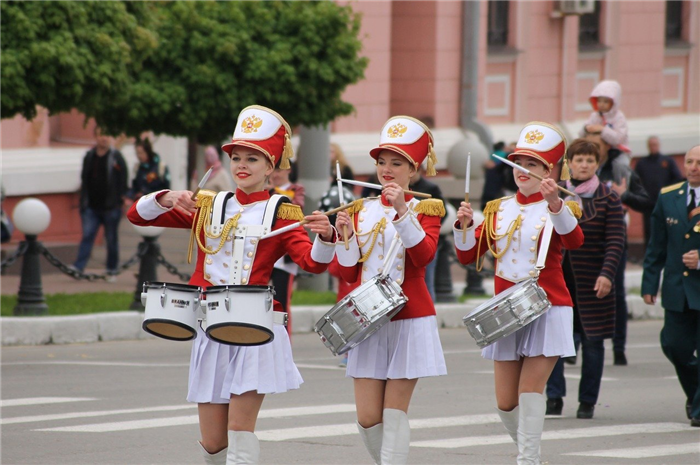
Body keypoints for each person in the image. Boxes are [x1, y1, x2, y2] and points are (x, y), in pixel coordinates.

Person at [128, 105, 337, 464]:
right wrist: (166, 197)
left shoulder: (282, 211)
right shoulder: (210, 204)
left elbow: (312, 263)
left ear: (271, 166)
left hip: (254, 330)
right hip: (211, 328)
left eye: (252, 159)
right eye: (236, 157)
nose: (241, 165)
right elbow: (137, 215)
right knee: (212, 443)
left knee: (240, 432)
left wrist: (328, 237)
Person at [453, 122, 584, 464]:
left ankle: (528, 459)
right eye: (518, 163)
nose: (522, 171)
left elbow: (574, 242)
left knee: (529, 392)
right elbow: (468, 255)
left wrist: (555, 203)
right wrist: (465, 227)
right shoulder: (498, 209)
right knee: (505, 402)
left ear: (549, 171)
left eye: (532, 165)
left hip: (548, 306)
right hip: (505, 312)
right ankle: (530, 449)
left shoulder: (562, 207)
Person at [334, 116, 447, 464]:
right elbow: (345, 270)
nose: (386, 169)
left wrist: (401, 210)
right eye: (382, 162)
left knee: (394, 413)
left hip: (409, 317)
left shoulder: (426, 208)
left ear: (413, 169)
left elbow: (424, 256)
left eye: (396, 163)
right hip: (367, 320)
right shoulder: (359, 209)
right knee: (368, 419)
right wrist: (342, 237)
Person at [545, 139, 625, 419]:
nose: (583, 165)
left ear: (596, 165)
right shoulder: (556, 195)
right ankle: (553, 397)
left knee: (593, 342)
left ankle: (587, 401)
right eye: (578, 160)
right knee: (554, 341)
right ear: (569, 163)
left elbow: (616, 240)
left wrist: (607, 274)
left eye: (589, 160)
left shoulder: (608, 197)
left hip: (594, 282)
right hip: (559, 281)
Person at [641, 145, 700, 428]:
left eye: (699, 162)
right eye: (689, 161)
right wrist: (649, 283)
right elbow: (656, 246)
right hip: (677, 289)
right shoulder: (668, 198)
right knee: (674, 346)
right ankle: (695, 393)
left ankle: (699, 408)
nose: (693, 167)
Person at [594, 138, 652, 367]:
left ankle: (619, 348)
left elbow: (646, 202)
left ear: (608, 146)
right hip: (582, 244)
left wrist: (624, 194)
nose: (591, 149)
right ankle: (574, 346)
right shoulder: (574, 168)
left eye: (597, 144)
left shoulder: (621, 170)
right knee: (577, 295)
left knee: (616, 295)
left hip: (613, 240)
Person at [72, 127, 128, 280]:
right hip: (91, 206)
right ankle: (78, 267)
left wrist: (120, 199)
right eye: (101, 135)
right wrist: (84, 201)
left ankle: (111, 270)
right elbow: (85, 179)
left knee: (111, 239)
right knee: (87, 235)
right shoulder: (90, 156)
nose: (104, 138)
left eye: (107, 135)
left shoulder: (116, 157)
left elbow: (123, 179)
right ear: (95, 137)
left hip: (111, 207)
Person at [268, 160, 306, 335]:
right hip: (265, 251)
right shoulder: (264, 189)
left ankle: (284, 345)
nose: (276, 174)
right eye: (273, 169)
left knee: (282, 303)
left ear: (289, 169)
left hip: (285, 257)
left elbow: (296, 209)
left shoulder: (296, 190)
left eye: (280, 169)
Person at [634, 136, 683, 247]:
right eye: (651, 145)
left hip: (665, 203)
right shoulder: (642, 163)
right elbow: (635, 182)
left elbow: (677, 179)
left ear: (659, 145)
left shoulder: (668, 161)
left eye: (655, 144)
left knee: (667, 227)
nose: (653, 147)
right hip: (648, 204)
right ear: (648, 146)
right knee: (650, 230)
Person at [409, 165, 445, 301]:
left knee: (427, 282)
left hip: (425, 238)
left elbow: (441, 211)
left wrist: (427, 225)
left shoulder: (430, 188)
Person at [580, 80, 630, 153]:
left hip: (617, 150)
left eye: (605, 102)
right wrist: (586, 128)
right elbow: (581, 134)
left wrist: (602, 129)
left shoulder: (619, 117)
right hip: (597, 150)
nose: (601, 104)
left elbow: (618, 139)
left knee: (621, 164)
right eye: (599, 101)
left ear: (613, 102)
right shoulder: (595, 115)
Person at [126, 138, 170, 203]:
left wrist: (146, 194)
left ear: (148, 151)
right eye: (137, 153)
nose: (139, 156)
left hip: (156, 204)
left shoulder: (161, 167)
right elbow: (134, 186)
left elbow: (166, 189)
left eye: (141, 153)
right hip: (140, 204)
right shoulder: (137, 167)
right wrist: (129, 196)